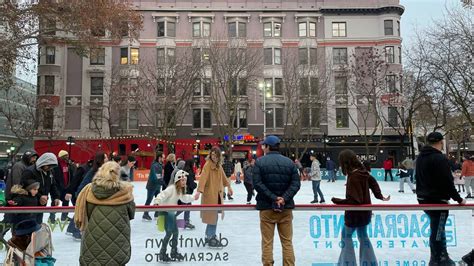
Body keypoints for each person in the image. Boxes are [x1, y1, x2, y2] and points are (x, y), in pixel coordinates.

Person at [332, 149, 390, 266]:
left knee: (346, 236)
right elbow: (373, 182)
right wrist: (380, 196)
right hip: (365, 213)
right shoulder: (362, 172)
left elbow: (354, 200)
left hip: (354, 215)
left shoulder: (354, 176)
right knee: (363, 237)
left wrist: (337, 201)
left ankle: (348, 263)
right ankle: (369, 263)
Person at [416, 132, 466, 265]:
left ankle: (438, 256)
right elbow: (447, 181)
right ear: (441, 142)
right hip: (437, 200)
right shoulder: (439, 158)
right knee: (438, 229)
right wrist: (458, 199)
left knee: (437, 228)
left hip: (423, 198)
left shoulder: (421, 157)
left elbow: (419, 177)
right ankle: (439, 258)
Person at [74, 161, 135, 266]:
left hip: (93, 240)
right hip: (118, 242)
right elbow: (131, 214)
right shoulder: (125, 192)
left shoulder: (89, 190)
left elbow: (87, 212)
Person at [252, 135, 301, 266]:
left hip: (266, 208)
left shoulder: (259, 162)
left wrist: (274, 198)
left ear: (267, 147)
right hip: (285, 208)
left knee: (267, 242)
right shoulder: (289, 163)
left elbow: (257, 184)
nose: (263, 147)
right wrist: (283, 198)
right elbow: (296, 184)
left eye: (264, 145)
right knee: (287, 242)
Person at [194, 147, 233, 247]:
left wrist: (229, 187)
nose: (214, 157)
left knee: (214, 217)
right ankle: (210, 237)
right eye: (212, 155)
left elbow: (224, 178)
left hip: (218, 195)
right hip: (210, 195)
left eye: (216, 155)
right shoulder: (207, 165)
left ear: (219, 156)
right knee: (213, 217)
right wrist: (199, 191)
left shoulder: (219, 166)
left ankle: (209, 236)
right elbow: (203, 178)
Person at [154, 170, 194, 262]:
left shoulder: (179, 190)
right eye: (183, 180)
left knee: (175, 232)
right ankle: (162, 253)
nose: (184, 182)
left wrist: (193, 197)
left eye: (185, 180)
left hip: (171, 213)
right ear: (177, 180)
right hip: (164, 212)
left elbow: (184, 198)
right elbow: (162, 194)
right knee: (169, 233)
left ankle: (173, 252)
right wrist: (157, 202)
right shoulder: (171, 188)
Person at [20, 153, 60, 224]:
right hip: (30, 203)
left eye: (52, 166)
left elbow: (53, 185)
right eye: (48, 165)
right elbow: (25, 187)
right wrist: (39, 196)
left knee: (38, 224)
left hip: (42, 204)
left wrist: (56, 197)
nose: (50, 168)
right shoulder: (30, 171)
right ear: (43, 162)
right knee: (28, 225)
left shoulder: (50, 172)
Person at [65, 159, 93, 239]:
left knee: (80, 211)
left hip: (83, 193)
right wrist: (70, 192)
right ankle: (75, 231)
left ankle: (71, 229)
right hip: (78, 193)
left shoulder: (91, 169)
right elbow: (74, 181)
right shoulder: (83, 169)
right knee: (80, 211)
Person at [51, 150, 75, 222]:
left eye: (67, 155)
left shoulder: (68, 164)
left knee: (66, 202)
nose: (67, 157)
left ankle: (64, 216)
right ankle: (52, 217)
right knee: (55, 202)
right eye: (66, 155)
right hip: (58, 187)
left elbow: (71, 174)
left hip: (66, 186)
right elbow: (55, 176)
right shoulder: (56, 165)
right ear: (61, 157)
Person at [143, 151, 164, 221]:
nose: (164, 159)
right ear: (159, 157)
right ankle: (145, 214)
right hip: (152, 186)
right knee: (149, 200)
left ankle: (157, 214)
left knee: (158, 200)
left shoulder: (160, 164)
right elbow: (155, 176)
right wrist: (162, 182)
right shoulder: (154, 165)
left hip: (157, 186)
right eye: (163, 157)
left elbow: (159, 176)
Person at [179, 159, 197, 229]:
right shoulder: (189, 171)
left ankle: (186, 221)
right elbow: (191, 184)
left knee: (185, 206)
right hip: (187, 191)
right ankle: (170, 218)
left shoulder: (183, 170)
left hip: (183, 191)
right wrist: (195, 185)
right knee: (185, 206)